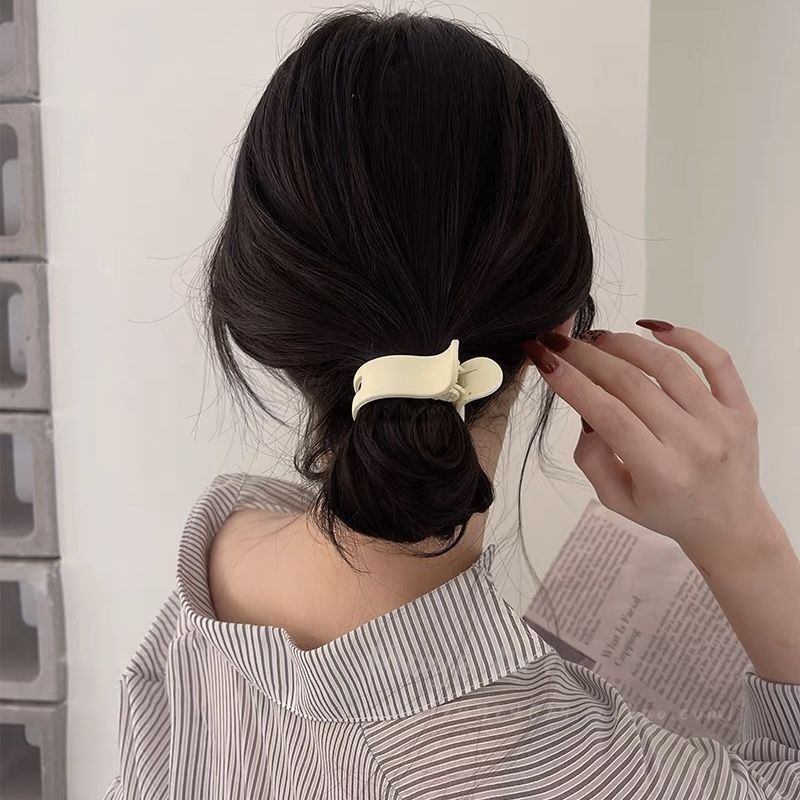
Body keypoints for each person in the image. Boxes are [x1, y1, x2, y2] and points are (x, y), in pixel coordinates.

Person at [104, 8, 800, 799]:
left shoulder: (214, 564)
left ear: (259, 312)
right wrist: (744, 540)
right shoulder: (558, 762)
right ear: (559, 325)